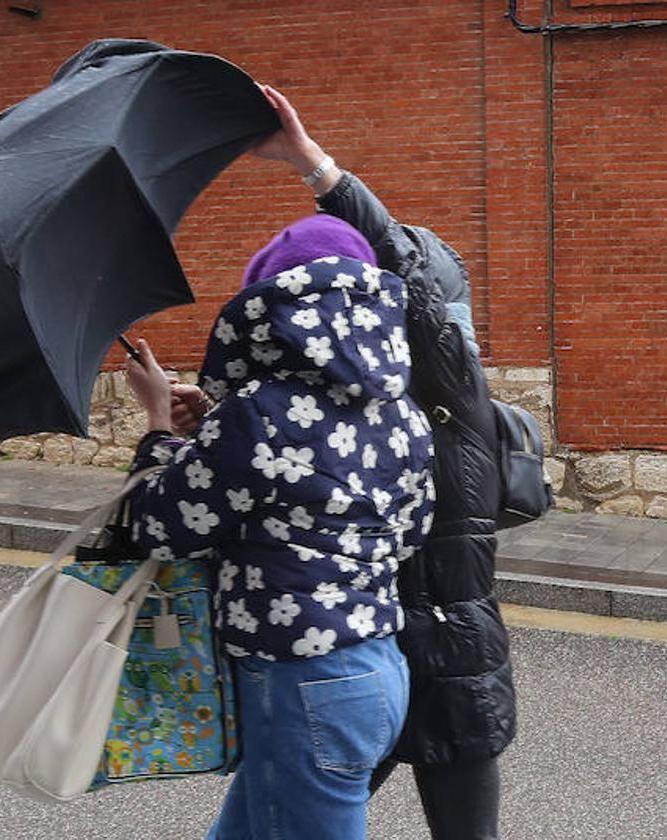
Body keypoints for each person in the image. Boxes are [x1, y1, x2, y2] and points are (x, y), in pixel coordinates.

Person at [174, 85, 516, 840]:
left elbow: (402, 276)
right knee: (290, 809)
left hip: (432, 645)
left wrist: (312, 163)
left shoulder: (449, 385)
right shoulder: (385, 406)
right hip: (376, 642)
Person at [122, 213, 435, 839]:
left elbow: (157, 526)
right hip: (377, 670)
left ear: (271, 314)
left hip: (303, 685)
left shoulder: (259, 415)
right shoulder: (402, 413)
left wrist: (160, 423)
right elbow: (409, 529)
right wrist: (215, 422)